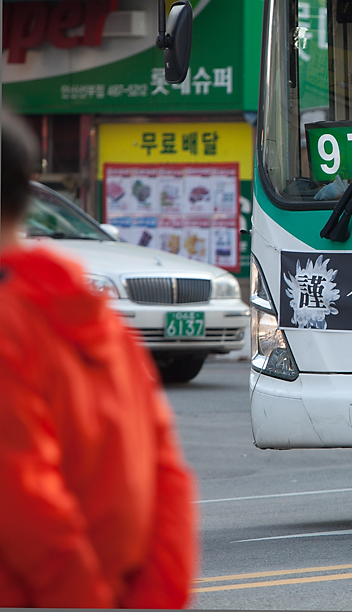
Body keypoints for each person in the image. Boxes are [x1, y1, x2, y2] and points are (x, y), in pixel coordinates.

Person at [0, 110, 198, 608]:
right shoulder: (97, 317)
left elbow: (21, 496)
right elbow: (166, 478)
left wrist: (82, 598)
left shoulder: (13, 322)